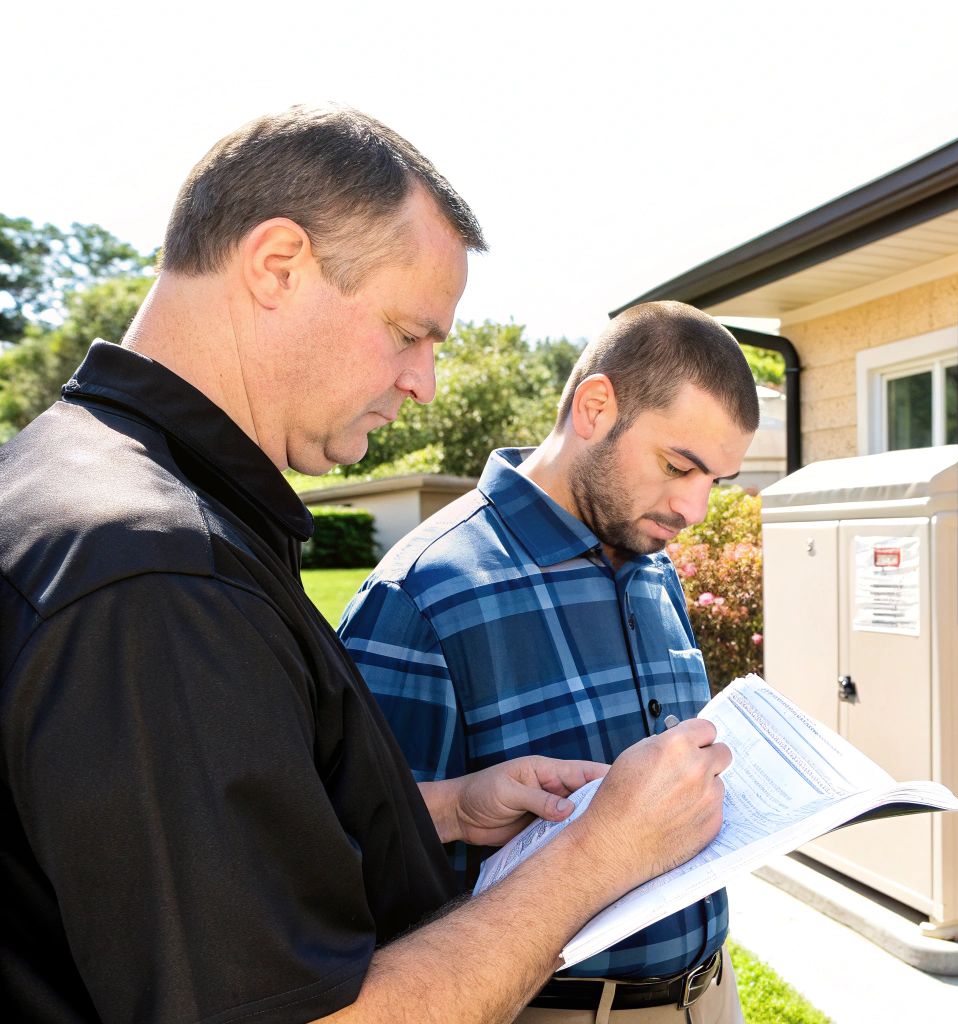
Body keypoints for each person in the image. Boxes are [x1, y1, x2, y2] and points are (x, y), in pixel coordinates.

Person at [0, 104, 731, 1024]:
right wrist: (602, 854)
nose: (424, 381)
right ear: (278, 267)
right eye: (408, 331)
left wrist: (452, 809)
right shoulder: (160, 579)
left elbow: (177, 856)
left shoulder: (84, 493)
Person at [338, 301, 759, 1023]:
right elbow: (353, 855)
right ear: (596, 407)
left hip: (710, 995)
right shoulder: (423, 593)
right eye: (678, 466)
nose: (695, 508)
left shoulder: (656, 565)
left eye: (716, 481)